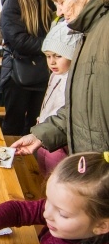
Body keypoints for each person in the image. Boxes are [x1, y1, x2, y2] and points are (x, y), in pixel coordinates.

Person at [10, 0, 109, 156]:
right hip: (90, 166)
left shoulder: (103, 33)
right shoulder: (87, 34)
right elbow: (80, 110)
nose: (59, 12)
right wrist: (41, 135)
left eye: (61, 2)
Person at [0, 0, 54, 135]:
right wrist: (50, 46)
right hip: (17, 74)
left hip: (41, 73)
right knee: (13, 125)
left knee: (35, 126)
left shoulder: (49, 0)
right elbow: (17, 40)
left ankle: (30, 165)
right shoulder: (12, 0)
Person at [36, 21, 82, 177]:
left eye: (58, 56)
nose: (52, 62)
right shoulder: (55, 76)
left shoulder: (74, 79)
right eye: (48, 56)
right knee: (43, 171)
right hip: (45, 132)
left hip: (59, 143)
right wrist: (43, 118)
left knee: (55, 176)